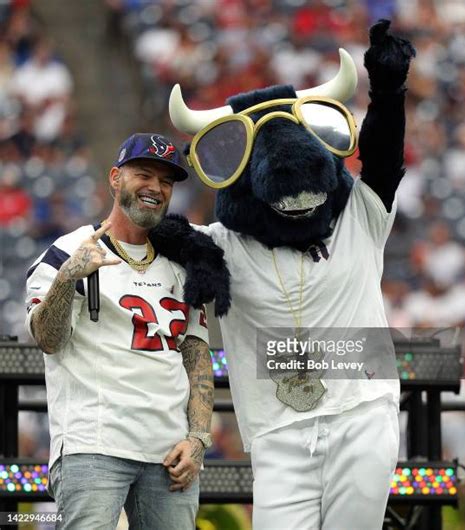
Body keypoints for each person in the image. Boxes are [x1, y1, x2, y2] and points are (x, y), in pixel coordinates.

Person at [168, 21, 415, 530]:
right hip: (278, 432)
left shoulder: (359, 219)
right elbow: (156, 233)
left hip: (362, 410)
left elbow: (385, 161)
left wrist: (389, 93)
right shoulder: (221, 246)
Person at [25, 133, 216, 530]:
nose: (155, 188)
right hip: (94, 445)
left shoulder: (182, 265)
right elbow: (47, 339)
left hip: (170, 452)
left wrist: (197, 439)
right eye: (143, 174)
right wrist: (68, 279)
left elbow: (196, 355)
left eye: (166, 182)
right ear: (115, 178)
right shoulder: (69, 249)